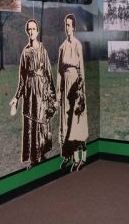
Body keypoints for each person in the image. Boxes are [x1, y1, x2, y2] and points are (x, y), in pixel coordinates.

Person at [10, 19, 56, 170]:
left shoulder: (43, 50)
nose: (31, 31)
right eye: (29, 29)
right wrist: (17, 97)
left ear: (38, 30)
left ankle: (42, 153)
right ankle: (34, 158)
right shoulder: (25, 52)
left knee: (42, 122)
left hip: (42, 91)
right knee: (31, 125)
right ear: (27, 31)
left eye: (33, 29)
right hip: (30, 93)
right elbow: (22, 78)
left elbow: (49, 74)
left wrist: (53, 98)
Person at [57, 14, 88, 172]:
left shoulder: (77, 45)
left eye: (69, 25)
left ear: (74, 27)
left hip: (75, 85)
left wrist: (81, 90)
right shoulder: (62, 47)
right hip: (65, 86)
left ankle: (79, 158)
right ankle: (67, 156)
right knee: (65, 120)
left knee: (75, 121)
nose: (67, 28)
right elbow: (59, 72)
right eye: (66, 25)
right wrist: (58, 93)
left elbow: (81, 68)